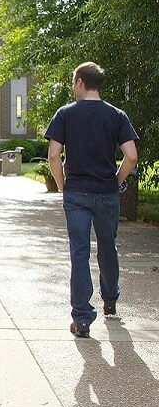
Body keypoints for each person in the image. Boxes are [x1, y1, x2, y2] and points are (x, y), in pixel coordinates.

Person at [44, 62, 138, 338]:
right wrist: (117, 180)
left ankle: (83, 319)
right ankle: (110, 299)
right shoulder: (117, 115)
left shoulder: (65, 114)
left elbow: (53, 155)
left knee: (80, 252)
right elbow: (131, 155)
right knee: (108, 247)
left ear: (80, 82)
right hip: (107, 191)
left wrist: (62, 185)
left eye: (74, 82)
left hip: (77, 193)